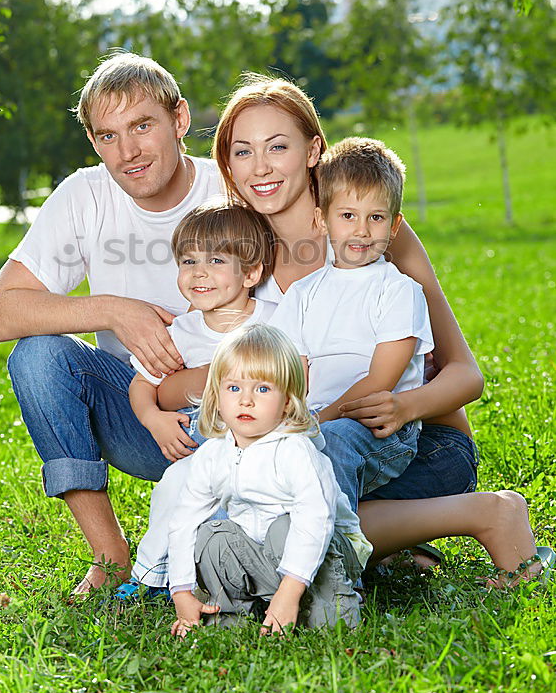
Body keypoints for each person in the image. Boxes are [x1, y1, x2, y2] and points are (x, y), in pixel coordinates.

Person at [158, 72, 550, 584]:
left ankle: (470, 514)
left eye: (278, 146)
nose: (261, 167)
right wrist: (247, 380)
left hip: (419, 443)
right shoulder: (237, 255)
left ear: (313, 149)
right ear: (226, 162)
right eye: (241, 152)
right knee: (270, 498)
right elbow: (177, 384)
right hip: (315, 434)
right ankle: (395, 542)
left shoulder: (375, 233)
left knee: (299, 508)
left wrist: (403, 405)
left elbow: (464, 376)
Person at [0, 52, 224, 596]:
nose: (128, 152)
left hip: (243, 419)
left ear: (179, 120)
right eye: (108, 136)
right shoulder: (84, 195)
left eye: (142, 126)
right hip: (141, 418)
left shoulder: (227, 191)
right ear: (93, 142)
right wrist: (113, 309)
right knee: (37, 355)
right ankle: (110, 554)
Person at [168, 324, 371, 637]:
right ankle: (228, 615)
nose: (246, 400)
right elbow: (183, 523)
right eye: (234, 388)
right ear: (217, 396)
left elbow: (315, 522)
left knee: (284, 529)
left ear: (287, 402)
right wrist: (181, 591)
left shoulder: (296, 451)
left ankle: (327, 604)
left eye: (262, 389)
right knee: (213, 534)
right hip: (263, 551)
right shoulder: (213, 456)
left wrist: (289, 595)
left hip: (325, 554)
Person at [270, 136, 434, 511]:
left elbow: (379, 384)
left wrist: (316, 424)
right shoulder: (303, 293)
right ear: (321, 219)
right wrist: (288, 422)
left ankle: (337, 563)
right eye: (347, 216)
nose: (361, 230)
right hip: (314, 419)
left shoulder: (398, 291)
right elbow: (292, 372)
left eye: (375, 218)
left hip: (379, 432)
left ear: (394, 225)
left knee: (335, 443)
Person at [124, 199, 277, 594]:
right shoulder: (183, 332)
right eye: (188, 262)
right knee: (176, 487)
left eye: (216, 261)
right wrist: (152, 419)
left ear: (251, 272)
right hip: (203, 440)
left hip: (266, 442)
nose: (199, 273)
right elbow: (141, 385)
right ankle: (151, 577)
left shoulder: (276, 319)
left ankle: (248, 574)